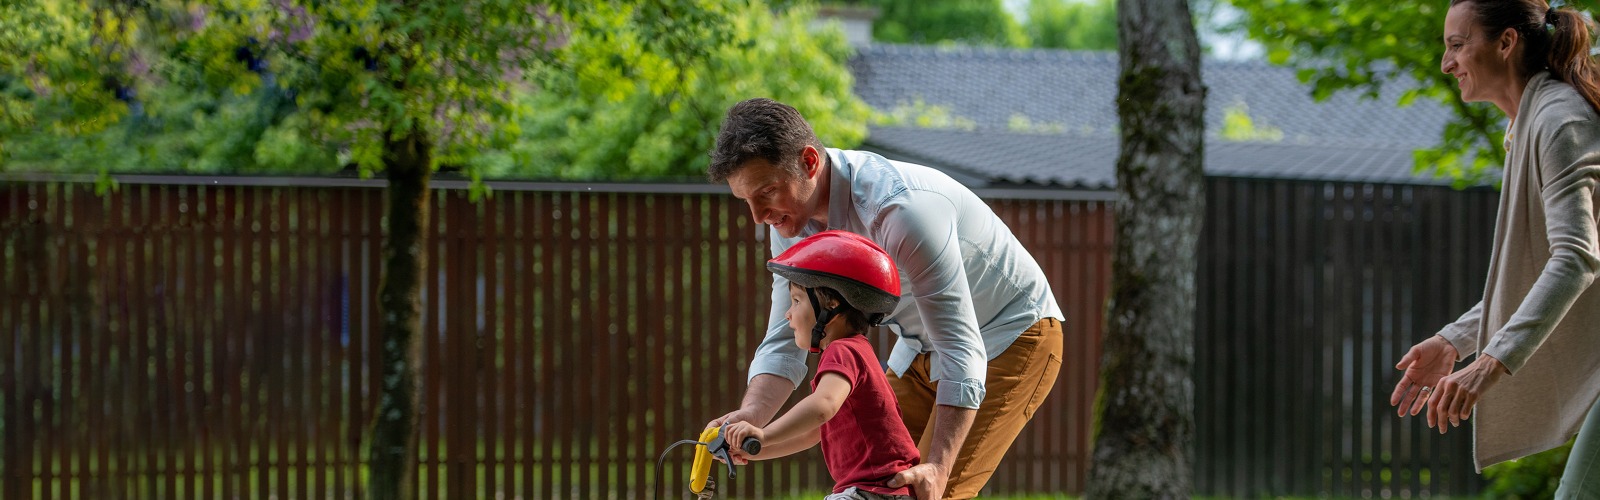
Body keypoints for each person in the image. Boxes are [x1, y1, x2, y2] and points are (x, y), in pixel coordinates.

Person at [703, 97, 1066, 500]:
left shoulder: (898, 209)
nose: (758, 216)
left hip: (1009, 333)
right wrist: (752, 418)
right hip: (920, 342)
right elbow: (785, 337)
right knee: (873, 485)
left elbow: (961, 349)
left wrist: (938, 468)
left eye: (766, 192)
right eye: (746, 200)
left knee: (926, 491)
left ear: (809, 162)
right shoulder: (790, 219)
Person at [1390, 0, 1600, 493]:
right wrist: (1456, 340)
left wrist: (1489, 363)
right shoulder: (1531, 122)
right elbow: (1537, 271)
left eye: (1457, 46)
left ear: (1506, 43)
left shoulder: (1558, 120)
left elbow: (1575, 259)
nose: (1447, 64)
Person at [722, 230, 921, 500]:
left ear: (832, 304)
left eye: (796, 300)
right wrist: (755, 447)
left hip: (874, 491)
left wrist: (764, 433)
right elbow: (812, 434)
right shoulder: (855, 351)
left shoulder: (843, 351)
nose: (788, 313)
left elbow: (822, 407)